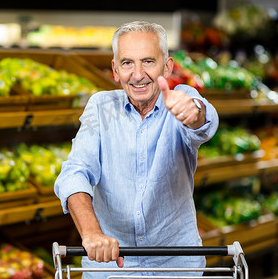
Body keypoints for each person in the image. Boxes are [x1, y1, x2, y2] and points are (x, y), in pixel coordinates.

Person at [54, 20, 219, 278]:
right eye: (127, 63)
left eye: (148, 62)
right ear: (115, 69)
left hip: (175, 268)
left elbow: (203, 120)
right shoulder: (101, 107)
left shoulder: (181, 99)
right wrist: (92, 233)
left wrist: (193, 112)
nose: (138, 74)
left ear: (168, 66)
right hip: (111, 270)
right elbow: (76, 172)